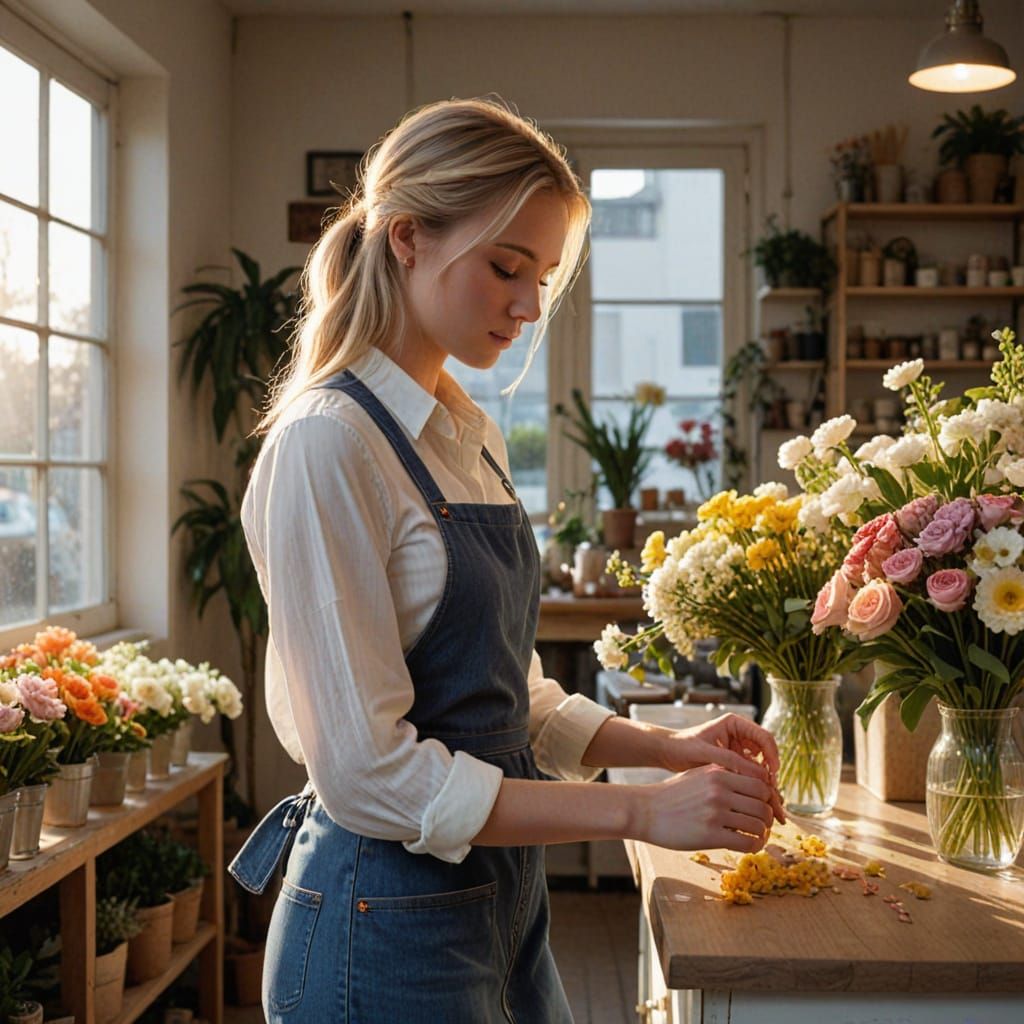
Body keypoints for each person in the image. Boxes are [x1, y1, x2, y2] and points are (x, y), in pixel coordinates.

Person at [228, 96, 785, 1024]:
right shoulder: (327, 446)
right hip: (384, 914)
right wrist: (638, 815)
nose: (530, 308)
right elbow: (369, 775)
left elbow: (506, 697)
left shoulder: (463, 430)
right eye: (505, 268)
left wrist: (664, 753)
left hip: (500, 894)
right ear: (407, 238)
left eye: (546, 277)